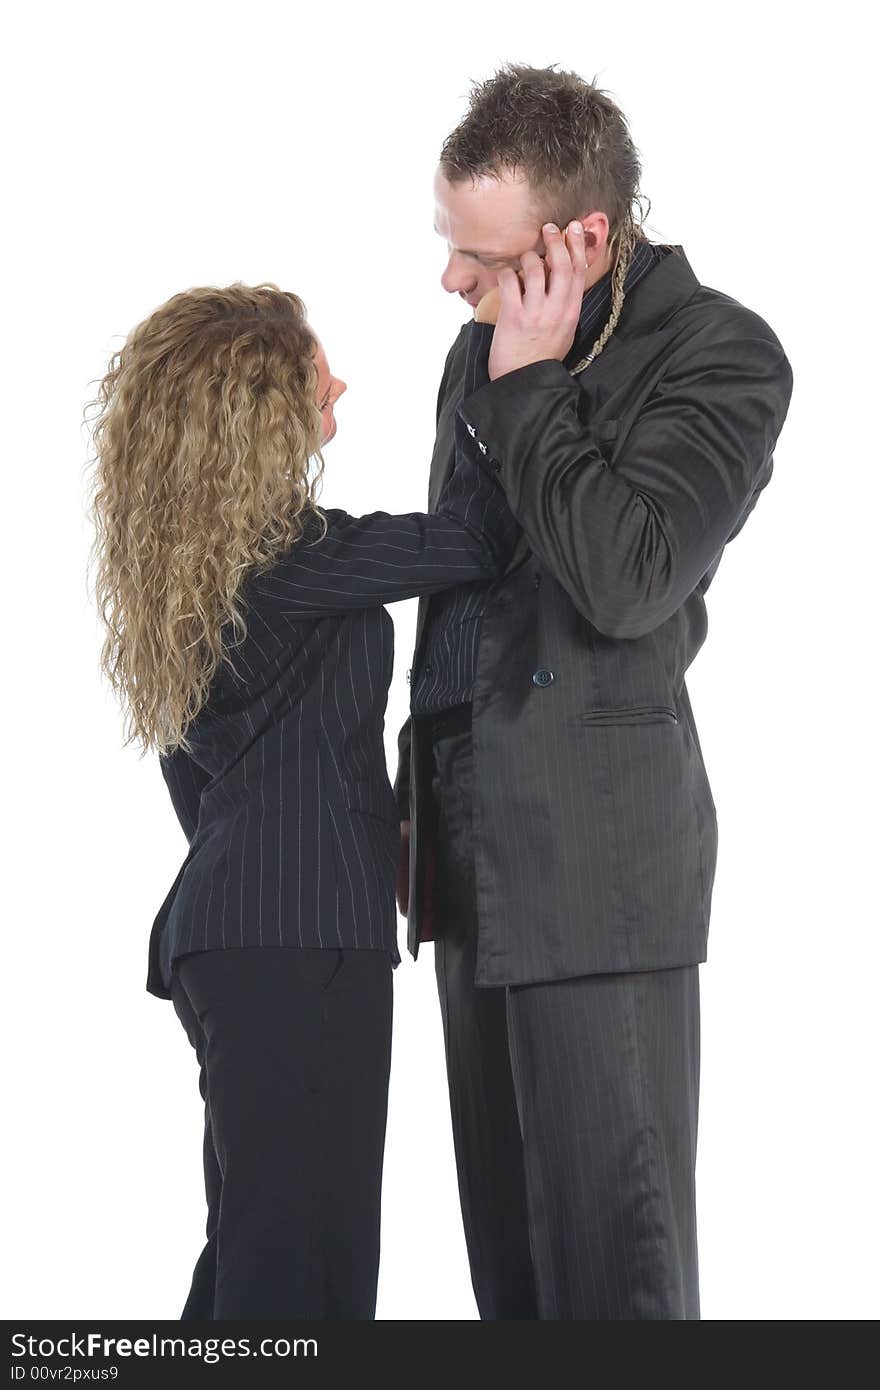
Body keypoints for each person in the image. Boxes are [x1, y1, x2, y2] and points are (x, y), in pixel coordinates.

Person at [86, 275, 579, 1319]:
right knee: (304, 1270)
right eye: (317, 371)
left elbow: (202, 785)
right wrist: (512, 379)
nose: (340, 382)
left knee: (259, 1248)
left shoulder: (211, 573)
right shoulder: (296, 559)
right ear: (258, 409)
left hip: (240, 933)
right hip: (296, 936)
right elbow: (475, 543)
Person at [394, 62, 795, 1320]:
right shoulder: (478, 351)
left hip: (593, 863)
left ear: (582, 238)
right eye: (449, 247)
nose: (453, 284)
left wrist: (530, 383)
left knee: (613, 1277)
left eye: (481, 256)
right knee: (506, 1276)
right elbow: (467, 585)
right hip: (463, 858)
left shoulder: (720, 353)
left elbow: (625, 577)